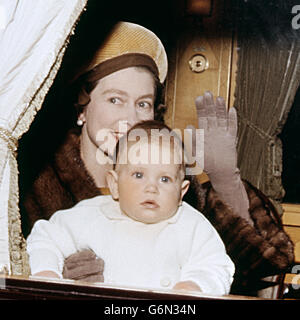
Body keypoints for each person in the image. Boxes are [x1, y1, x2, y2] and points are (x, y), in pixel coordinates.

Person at [21, 21, 294, 295]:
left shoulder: (177, 188)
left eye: (143, 104)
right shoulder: (31, 187)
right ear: (81, 108)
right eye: (115, 99)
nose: (130, 118)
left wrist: (226, 180)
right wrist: (57, 277)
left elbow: (259, 264)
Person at [27, 120, 235, 295]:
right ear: (114, 184)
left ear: (181, 192)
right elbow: (46, 238)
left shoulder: (192, 226)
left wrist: (193, 286)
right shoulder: (91, 215)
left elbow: (216, 266)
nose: (151, 188)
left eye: (164, 178)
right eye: (138, 175)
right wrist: (46, 274)